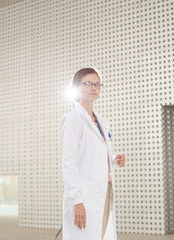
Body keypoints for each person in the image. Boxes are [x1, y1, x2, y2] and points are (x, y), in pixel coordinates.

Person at [61, 68, 126, 240]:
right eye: (88, 83)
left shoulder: (102, 121)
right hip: (85, 194)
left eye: (97, 84)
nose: (94, 88)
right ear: (76, 87)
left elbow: (94, 156)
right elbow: (69, 163)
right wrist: (77, 201)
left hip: (104, 190)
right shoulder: (73, 119)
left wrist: (113, 160)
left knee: (102, 234)